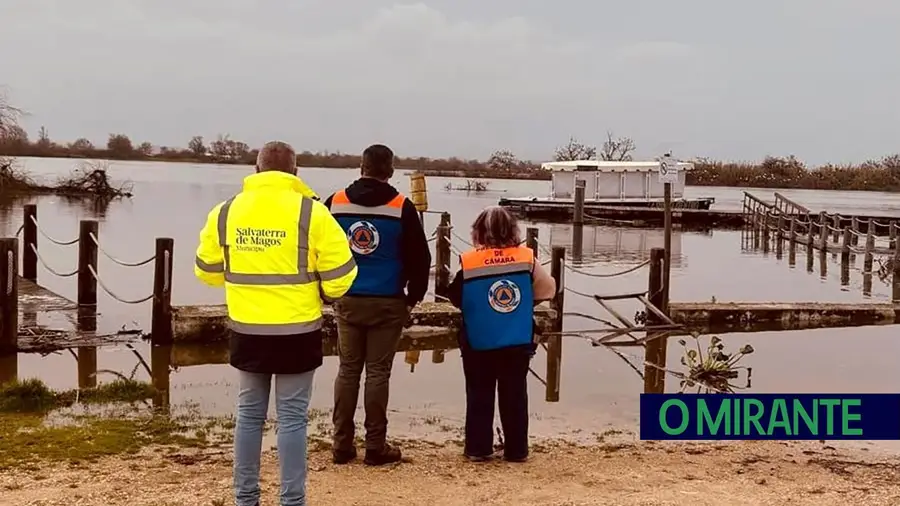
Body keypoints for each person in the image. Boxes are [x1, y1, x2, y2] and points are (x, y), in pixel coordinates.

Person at [194, 141, 357, 506]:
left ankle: (245, 498)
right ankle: (292, 500)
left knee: (249, 415)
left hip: (247, 328)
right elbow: (342, 278)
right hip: (297, 331)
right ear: (295, 173)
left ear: (256, 170)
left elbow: (206, 271)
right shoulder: (313, 214)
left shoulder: (226, 211)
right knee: (293, 419)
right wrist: (322, 292)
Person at [324, 144, 432, 466]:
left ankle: (341, 445)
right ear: (390, 170)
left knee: (347, 371)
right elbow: (420, 258)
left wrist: (325, 290)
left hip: (347, 300)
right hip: (387, 301)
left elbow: (319, 250)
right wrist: (412, 297)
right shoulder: (402, 207)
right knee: (378, 373)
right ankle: (375, 446)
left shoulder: (335, 203)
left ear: (361, 167)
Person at [447, 206, 556, 463]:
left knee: (478, 394)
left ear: (478, 232)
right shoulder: (526, 259)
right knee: (515, 394)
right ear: (513, 231)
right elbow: (548, 289)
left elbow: (454, 296)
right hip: (516, 339)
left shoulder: (470, 261)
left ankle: (478, 449)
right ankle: (517, 451)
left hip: (478, 340)